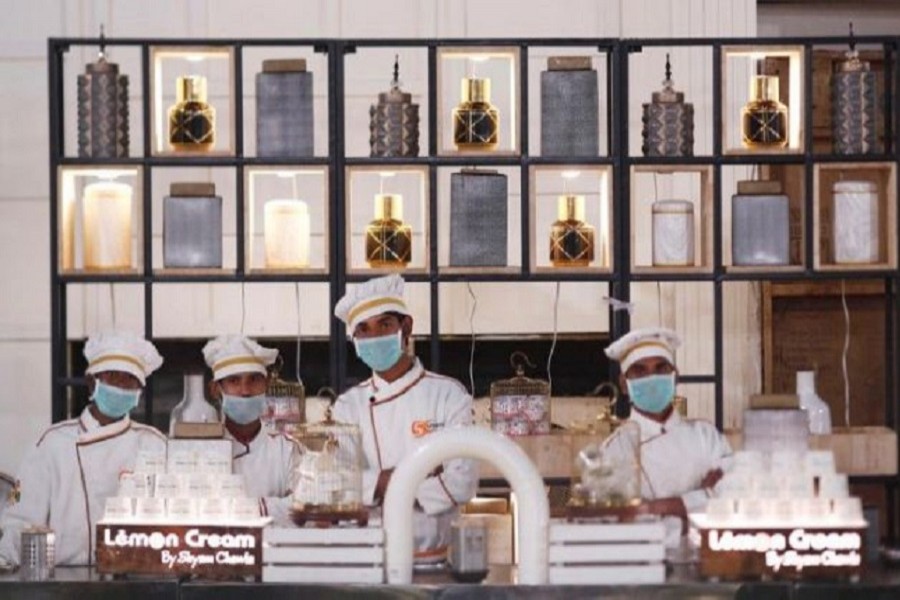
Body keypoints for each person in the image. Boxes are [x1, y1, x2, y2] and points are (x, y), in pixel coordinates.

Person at [332, 274, 478, 562]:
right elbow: (340, 485)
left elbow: (462, 482)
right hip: (369, 561)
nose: (374, 337)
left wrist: (380, 483)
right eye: (363, 329)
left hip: (434, 559)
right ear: (355, 340)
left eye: (384, 325)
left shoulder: (448, 394)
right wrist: (422, 476)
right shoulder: (348, 406)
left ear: (406, 327)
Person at [0, 331, 166, 567]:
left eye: (129, 378)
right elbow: (21, 518)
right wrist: (6, 559)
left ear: (140, 389)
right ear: (91, 382)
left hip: (136, 577)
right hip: (64, 580)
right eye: (111, 375)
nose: (120, 384)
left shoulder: (154, 444)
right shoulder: (51, 443)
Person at [603, 327, 732, 546]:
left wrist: (655, 507)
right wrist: (701, 500)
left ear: (675, 376)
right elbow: (626, 524)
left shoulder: (705, 436)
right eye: (640, 371)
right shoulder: (616, 448)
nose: (652, 377)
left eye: (661, 368)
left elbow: (733, 499)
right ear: (624, 384)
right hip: (645, 567)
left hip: (711, 560)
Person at [202, 334, 298, 526]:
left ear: (267, 384)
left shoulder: (286, 449)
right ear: (215, 389)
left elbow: (305, 507)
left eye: (254, 380)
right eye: (234, 381)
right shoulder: (204, 449)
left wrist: (249, 509)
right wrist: (276, 509)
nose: (245, 391)